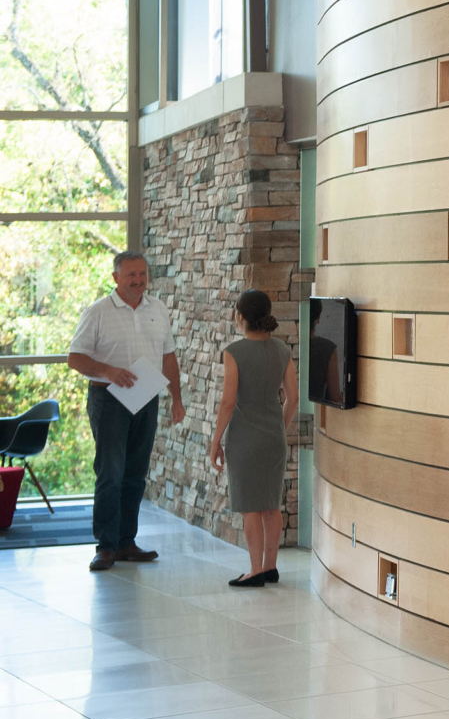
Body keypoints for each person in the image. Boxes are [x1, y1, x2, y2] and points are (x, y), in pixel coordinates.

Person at [67, 251, 185, 572]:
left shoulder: (157, 309)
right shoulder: (98, 312)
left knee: (135, 473)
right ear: (115, 277)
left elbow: (169, 357)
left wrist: (176, 398)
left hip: (147, 397)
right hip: (108, 400)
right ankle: (105, 546)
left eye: (142, 274)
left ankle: (126, 542)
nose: (138, 280)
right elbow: (75, 358)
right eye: (131, 275)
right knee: (110, 473)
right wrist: (109, 371)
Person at [208, 289, 297, 587]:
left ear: (241, 316)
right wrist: (279, 430)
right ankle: (271, 568)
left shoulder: (234, 352)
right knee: (271, 505)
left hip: (244, 439)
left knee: (250, 508)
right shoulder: (282, 350)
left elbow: (228, 402)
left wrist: (215, 440)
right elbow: (293, 398)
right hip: (273, 438)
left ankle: (255, 570)